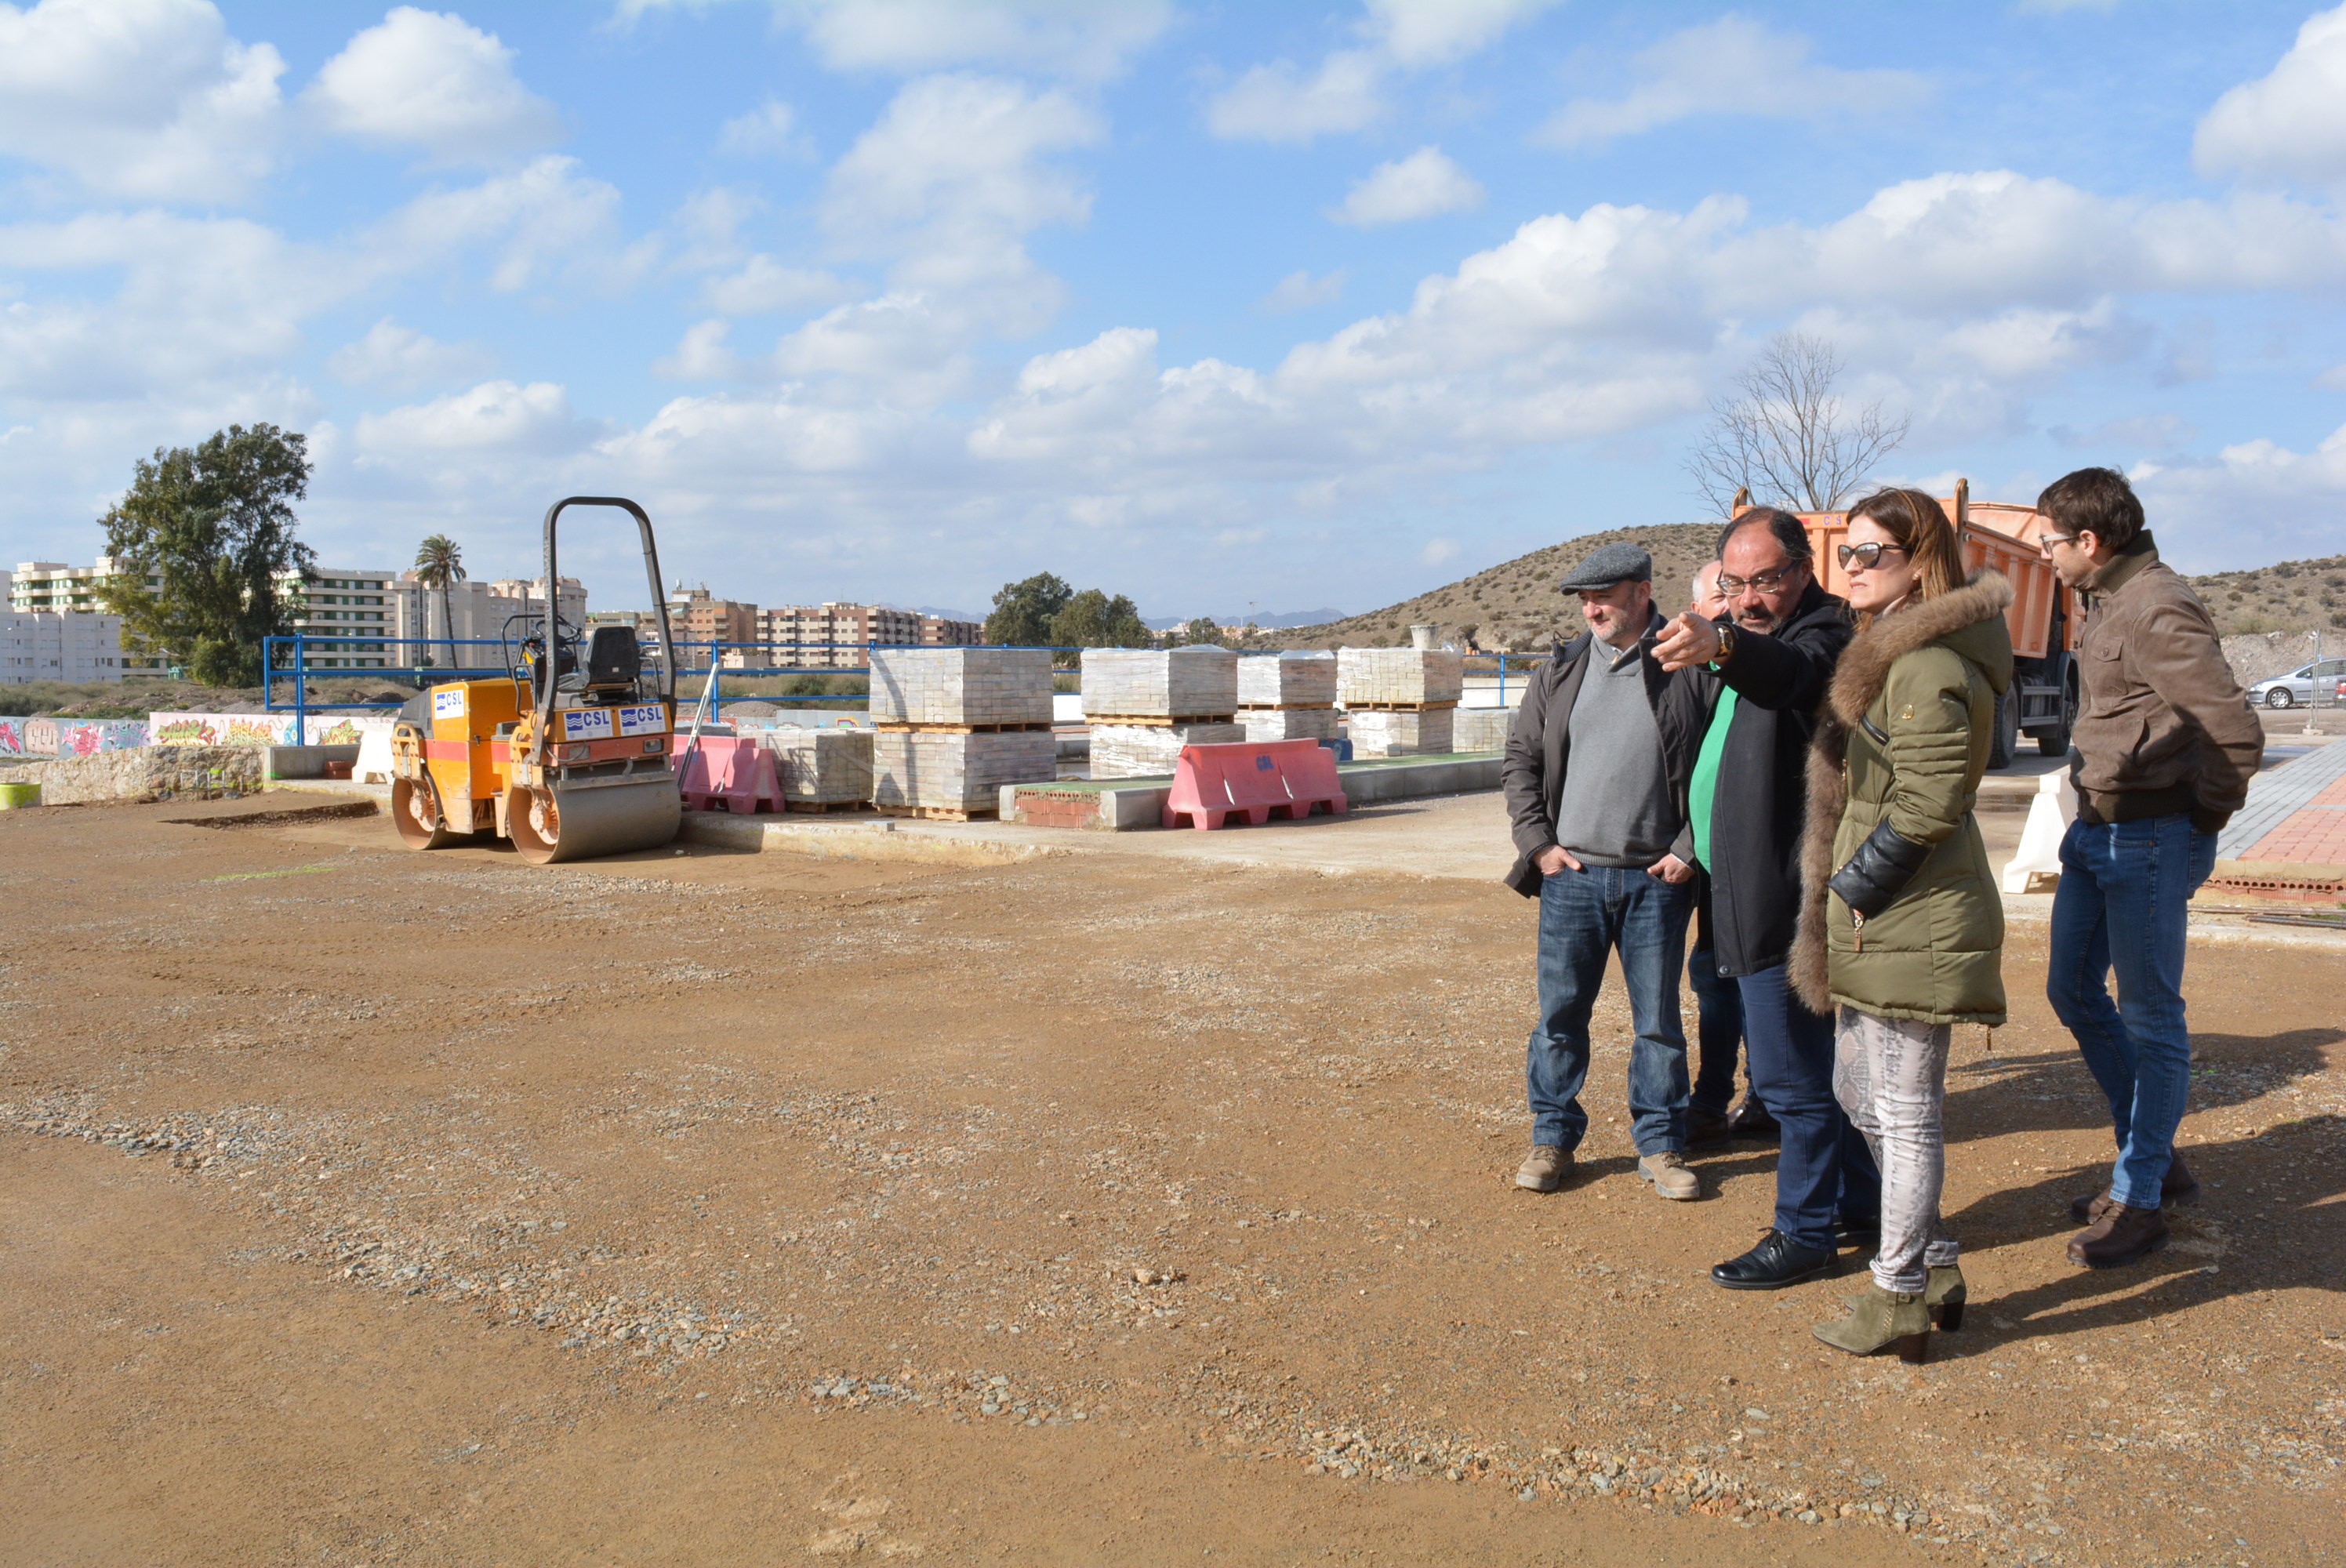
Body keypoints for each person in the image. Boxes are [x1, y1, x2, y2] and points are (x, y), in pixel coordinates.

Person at [1792, 488, 2013, 1363]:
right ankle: (1935, 1261)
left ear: (1918, 561)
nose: (1848, 567)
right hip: (1879, 911)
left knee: (1906, 1112)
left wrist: (1851, 888)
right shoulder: (1894, 651)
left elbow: (1927, 802)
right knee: (1858, 1093)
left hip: (1907, 908)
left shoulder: (1925, 665)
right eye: (1843, 552)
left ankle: (1898, 1295)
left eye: (1867, 552)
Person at [2036, 468, 2263, 1268]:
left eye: (2051, 541)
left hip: (2150, 838)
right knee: (2069, 988)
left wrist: (2197, 819)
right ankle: (2154, 1158)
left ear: (2089, 542)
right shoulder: (2108, 600)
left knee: (2151, 1017)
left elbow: (2234, 732)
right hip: (2096, 832)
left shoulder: (2156, 605)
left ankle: (2139, 1196)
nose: (2045, 553)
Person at [1654, 510, 1881, 1287]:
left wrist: (1721, 642)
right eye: (1735, 583)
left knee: (1787, 1078)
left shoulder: (1824, 631)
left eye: (1766, 579)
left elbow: (1796, 674)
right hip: (1736, 884)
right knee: (1817, 1071)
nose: (1750, 598)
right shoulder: (1748, 639)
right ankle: (1861, 1202)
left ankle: (1805, 1231)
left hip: (1780, 897)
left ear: (1802, 569)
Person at [1502, 542, 1708, 1201]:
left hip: (1657, 882)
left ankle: (1661, 1145)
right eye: (1583, 598)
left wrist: (1689, 845)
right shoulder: (1560, 669)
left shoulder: (1688, 667)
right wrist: (1539, 847)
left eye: (1605, 595)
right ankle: (1552, 1139)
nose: (1592, 607)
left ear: (1642, 592)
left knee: (1658, 1022)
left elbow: (1717, 768)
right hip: (1573, 879)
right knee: (1560, 1017)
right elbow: (1520, 762)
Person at [1683, 561, 1772, 1146]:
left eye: (1736, 591)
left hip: (1762, 866)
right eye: (1717, 598)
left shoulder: (1771, 667)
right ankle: (1712, 1099)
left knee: (1766, 985)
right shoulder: (1691, 669)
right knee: (1714, 980)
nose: (1728, 609)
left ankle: (1769, 1096)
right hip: (1710, 865)